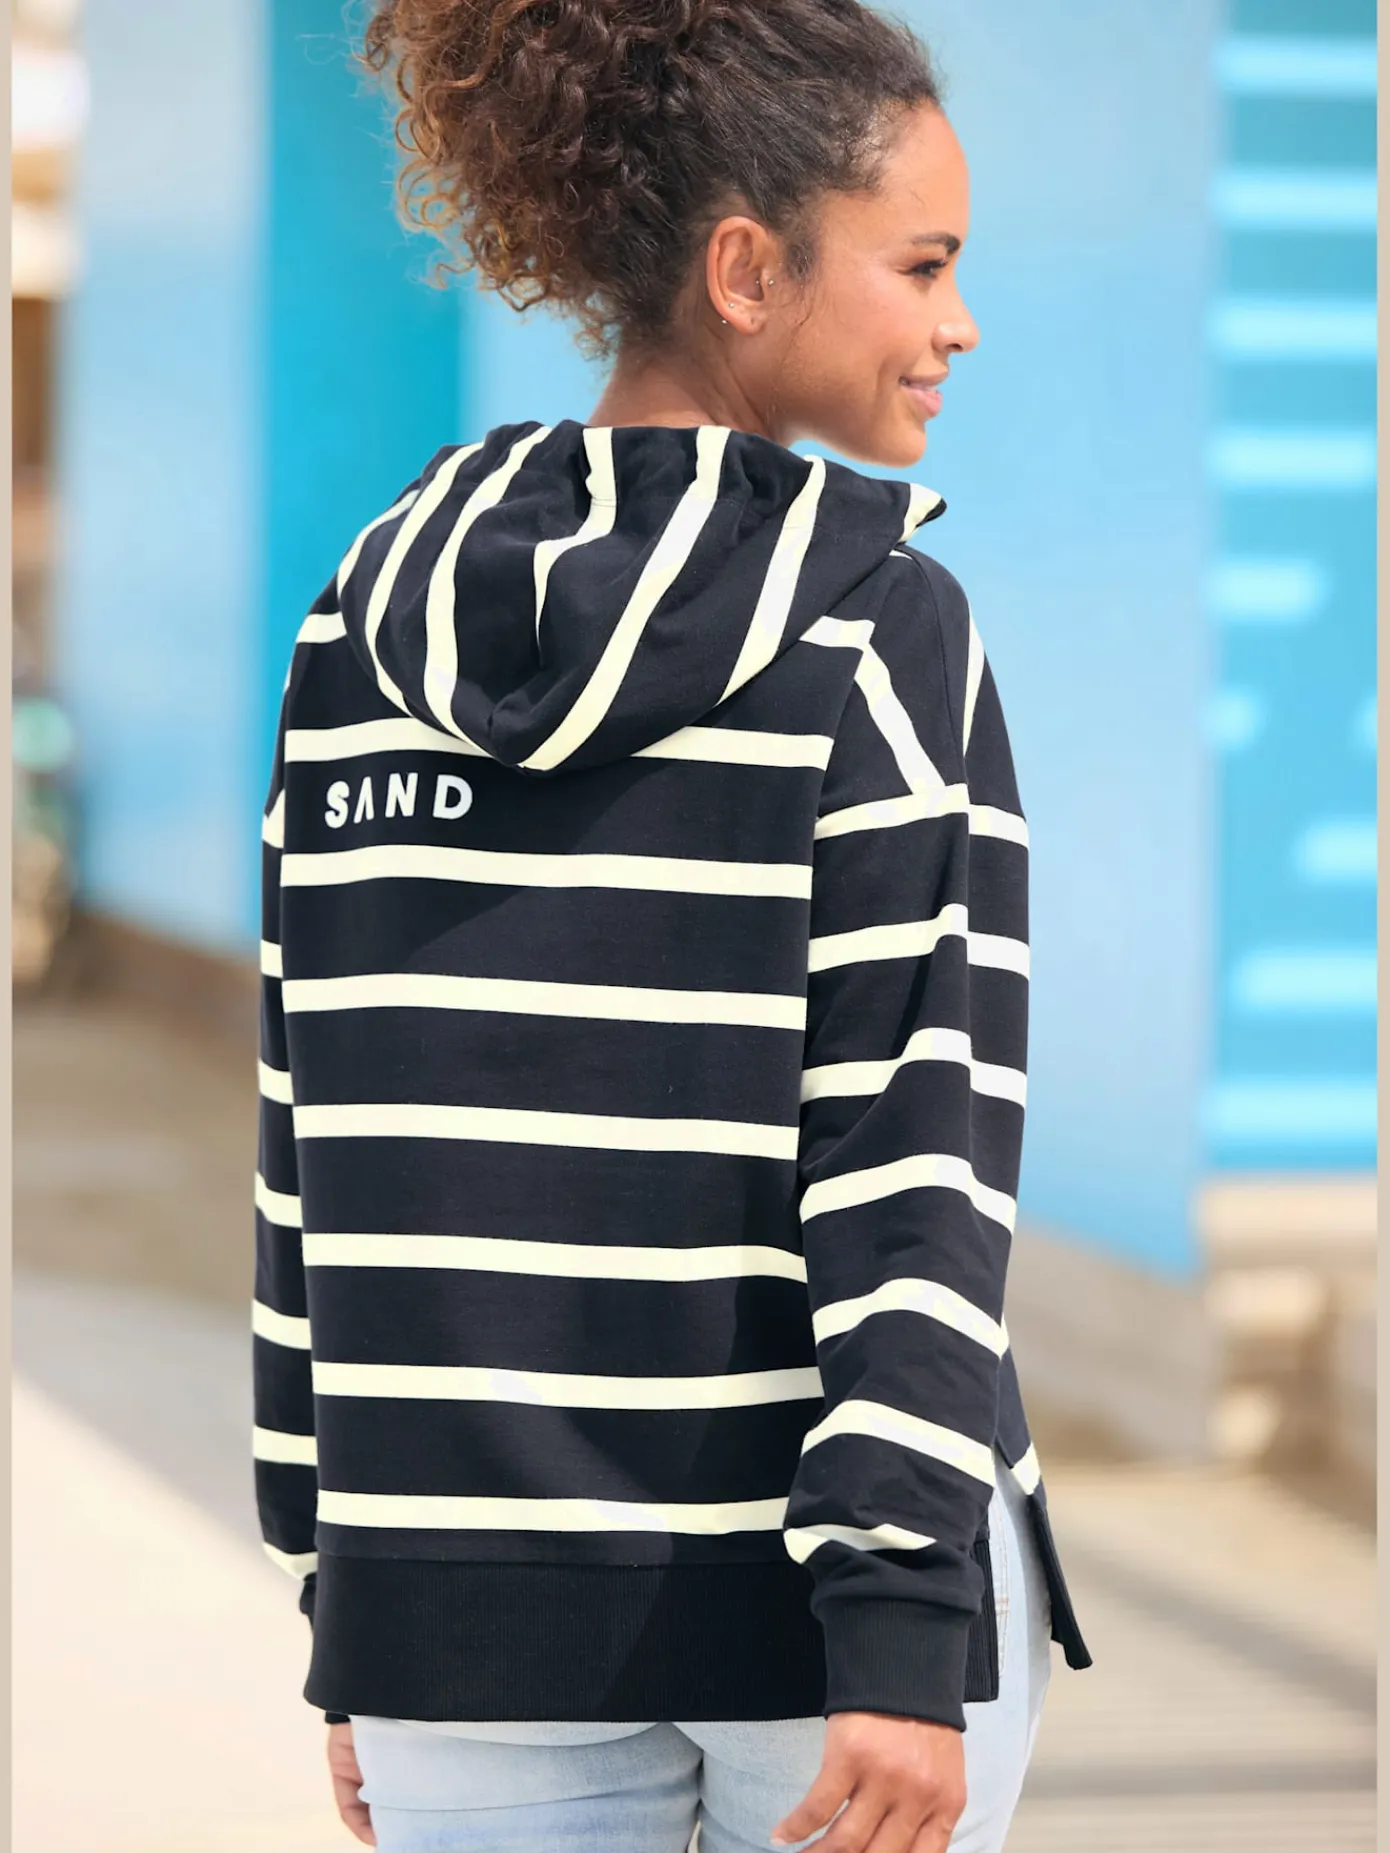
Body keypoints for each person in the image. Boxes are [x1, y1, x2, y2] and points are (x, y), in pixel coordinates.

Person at [251, 3, 1092, 1849]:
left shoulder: (353, 630)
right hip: (829, 1625)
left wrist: (348, 1603)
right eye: (921, 265)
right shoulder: (879, 628)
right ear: (744, 269)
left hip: (452, 1612)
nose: (957, 323)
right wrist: (902, 1626)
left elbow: (306, 1149)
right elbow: (914, 1160)